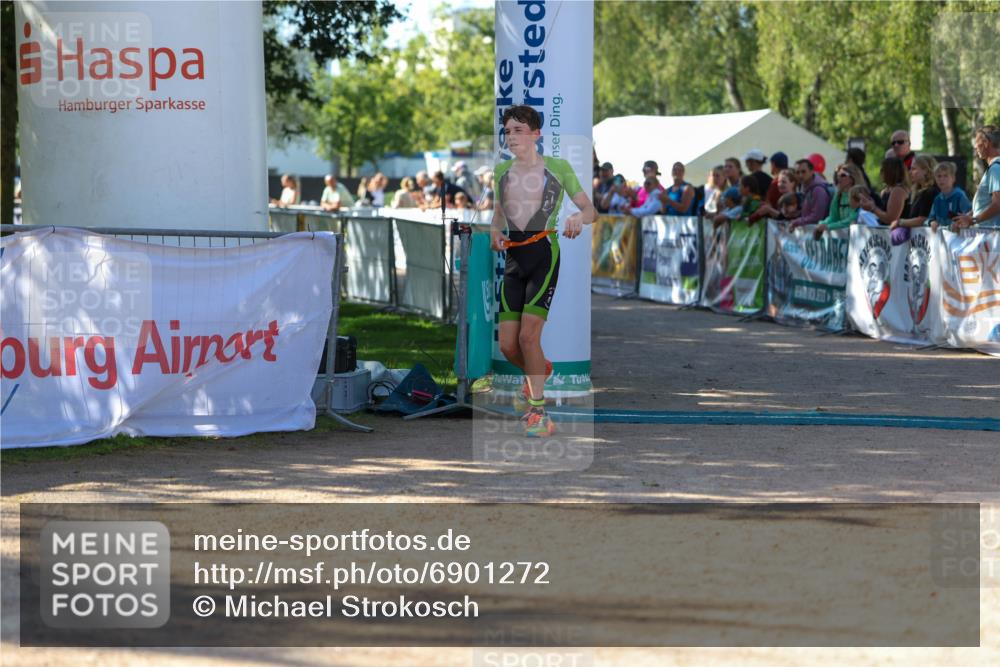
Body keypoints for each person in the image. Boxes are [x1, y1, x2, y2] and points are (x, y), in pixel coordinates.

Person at [491, 105, 596, 437]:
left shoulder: (558, 167)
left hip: (543, 254)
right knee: (508, 346)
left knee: (528, 337)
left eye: (519, 130)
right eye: (508, 131)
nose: (511, 137)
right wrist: (494, 231)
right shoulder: (501, 171)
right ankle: (540, 371)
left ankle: (538, 413)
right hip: (513, 260)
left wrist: (578, 217)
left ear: (536, 134)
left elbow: (590, 210)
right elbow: (498, 215)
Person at [954, 125, 1000, 229]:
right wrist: (967, 217)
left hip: (991, 235)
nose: (975, 147)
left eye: (976, 142)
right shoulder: (995, 167)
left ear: (986, 143)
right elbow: (986, 204)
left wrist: (973, 220)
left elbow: (998, 204)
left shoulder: (995, 168)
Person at [889, 154, 939, 244]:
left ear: (926, 170)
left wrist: (900, 222)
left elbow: (922, 219)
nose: (910, 172)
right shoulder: (917, 191)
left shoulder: (931, 192)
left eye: (914, 169)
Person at [813, 163, 864, 239]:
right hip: (842, 239)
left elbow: (852, 219)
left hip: (857, 238)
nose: (838, 178)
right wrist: (822, 224)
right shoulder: (838, 196)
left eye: (843, 175)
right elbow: (833, 217)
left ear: (852, 178)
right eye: (838, 175)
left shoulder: (859, 194)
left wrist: (828, 226)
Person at [860, 156, 909, 227]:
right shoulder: (886, 190)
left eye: (882, 170)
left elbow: (891, 219)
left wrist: (873, 208)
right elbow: (882, 214)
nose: (880, 173)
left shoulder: (898, 191)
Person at [788, 159, 831, 229]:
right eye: (797, 172)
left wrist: (797, 222)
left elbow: (817, 217)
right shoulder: (803, 188)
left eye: (803, 172)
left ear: (812, 172)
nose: (800, 175)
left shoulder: (818, 190)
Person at [929, 161, 972, 231]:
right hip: (941, 236)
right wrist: (932, 222)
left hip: (959, 235)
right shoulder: (937, 199)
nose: (942, 179)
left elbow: (969, 215)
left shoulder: (959, 195)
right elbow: (930, 218)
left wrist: (959, 223)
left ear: (953, 178)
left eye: (945, 176)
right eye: (939, 176)